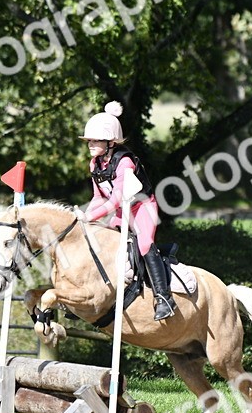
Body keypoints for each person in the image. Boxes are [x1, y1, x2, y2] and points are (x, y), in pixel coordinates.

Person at [74, 101, 176, 321]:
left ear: (110, 142)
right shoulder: (94, 164)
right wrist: (82, 219)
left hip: (142, 207)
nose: (90, 144)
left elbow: (115, 200)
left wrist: (89, 216)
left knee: (144, 244)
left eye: (95, 140)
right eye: (89, 140)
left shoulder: (125, 162)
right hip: (122, 210)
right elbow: (98, 198)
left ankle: (164, 298)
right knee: (102, 240)